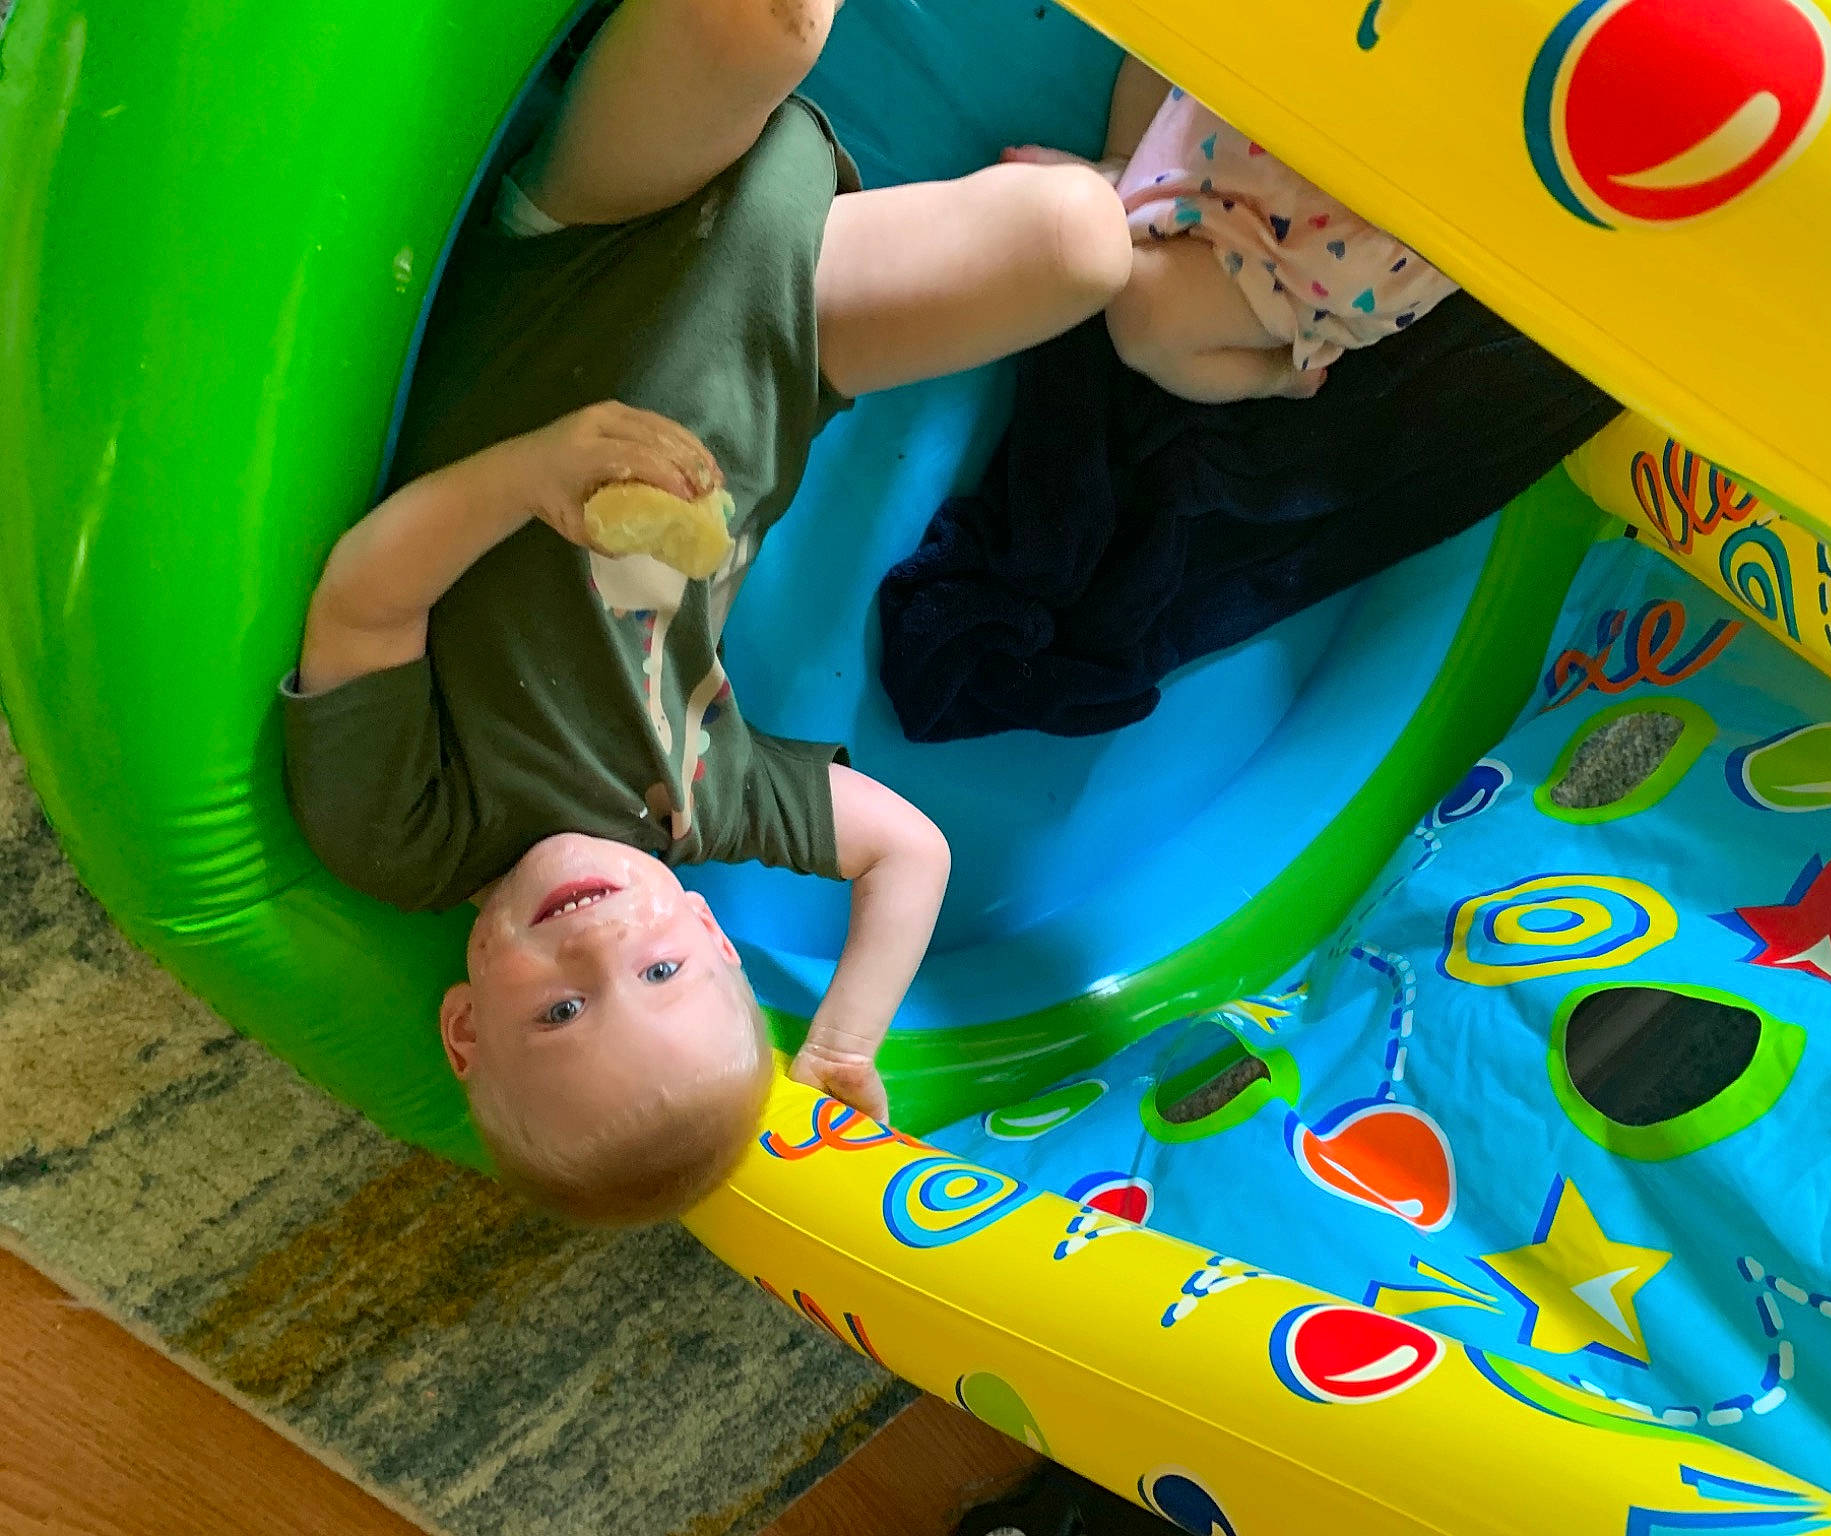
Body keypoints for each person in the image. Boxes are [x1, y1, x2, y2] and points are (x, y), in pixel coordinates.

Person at [282, 0, 1135, 1226]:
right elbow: (910, 852)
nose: (598, 948)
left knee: (766, 23)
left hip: (582, 254)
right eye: (662, 970)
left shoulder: (407, 836)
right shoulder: (702, 798)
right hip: (793, 338)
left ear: (466, 1029)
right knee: (1083, 242)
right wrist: (841, 1038)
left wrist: (527, 476)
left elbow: (362, 603)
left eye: (560, 1011)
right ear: (712, 936)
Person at [1007, 57, 1457, 404]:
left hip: (1321, 254)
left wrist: (1276, 377)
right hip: (1265, 99)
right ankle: (1130, 180)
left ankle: (1277, 375)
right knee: (1165, 39)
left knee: (1143, 315)